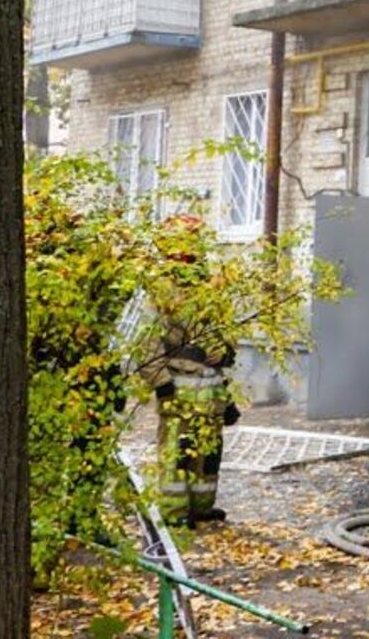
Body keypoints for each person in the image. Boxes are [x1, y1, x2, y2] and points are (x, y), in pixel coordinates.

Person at [143, 215, 242, 527]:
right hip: (180, 392)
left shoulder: (209, 290)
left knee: (208, 455)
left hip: (211, 392)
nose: (191, 254)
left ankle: (201, 506)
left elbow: (226, 337)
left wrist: (226, 358)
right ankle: (173, 513)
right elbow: (146, 344)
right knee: (177, 454)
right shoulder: (159, 291)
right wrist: (161, 383)